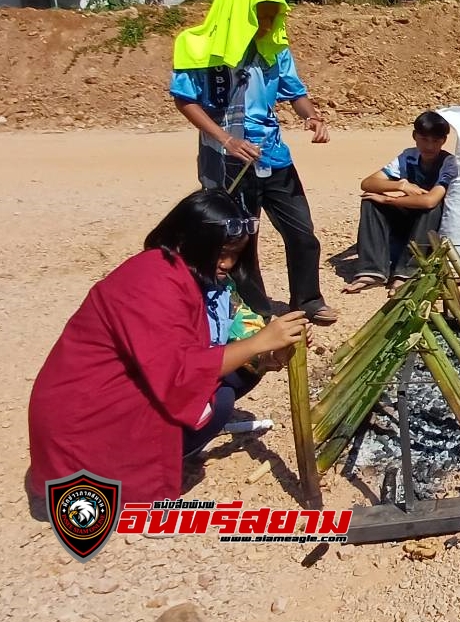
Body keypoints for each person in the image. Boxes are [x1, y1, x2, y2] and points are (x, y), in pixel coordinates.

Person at [28, 189, 309, 506]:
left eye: (236, 254)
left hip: (142, 382)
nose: (228, 263)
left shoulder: (207, 279)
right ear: (190, 241)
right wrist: (259, 342)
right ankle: (128, 470)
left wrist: (273, 352)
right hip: (88, 418)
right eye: (222, 253)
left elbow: (241, 337)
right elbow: (177, 373)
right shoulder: (152, 281)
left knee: (241, 373)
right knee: (219, 401)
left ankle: (168, 446)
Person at [170, 0, 338, 325]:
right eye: (260, 14)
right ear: (238, 10)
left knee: (302, 233)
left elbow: (296, 94)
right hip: (228, 160)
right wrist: (226, 139)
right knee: (240, 239)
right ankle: (256, 312)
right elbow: (185, 100)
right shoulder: (197, 46)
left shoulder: (275, 49)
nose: (267, 22)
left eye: (272, 14)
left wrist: (312, 116)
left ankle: (308, 300)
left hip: (273, 155)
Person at [345, 111, 458, 293]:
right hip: (405, 211)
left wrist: (389, 199)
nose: (429, 146)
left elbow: (430, 200)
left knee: (432, 208)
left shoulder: (448, 163)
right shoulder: (408, 157)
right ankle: (372, 270)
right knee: (370, 200)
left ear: (444, 141)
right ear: (414, 136)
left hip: (428, 222)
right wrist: (402, 185)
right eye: (423, 139)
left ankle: (407, 272)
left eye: (435, 141)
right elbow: (367, 183)